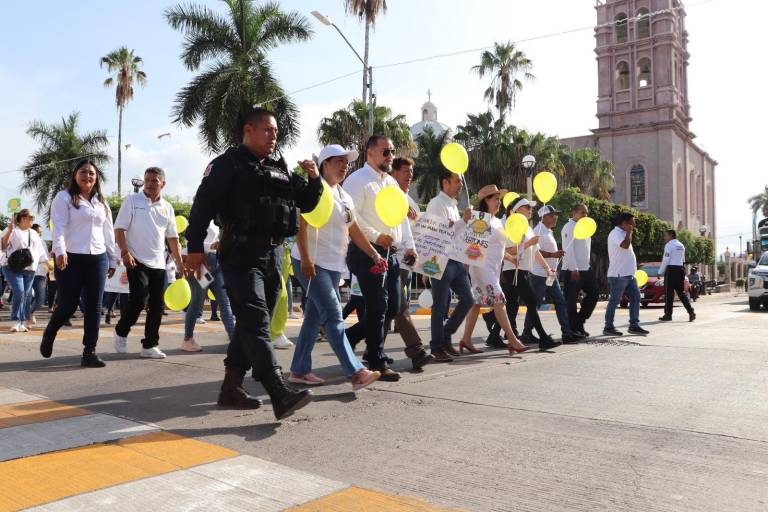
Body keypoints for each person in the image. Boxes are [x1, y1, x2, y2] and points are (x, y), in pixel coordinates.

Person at [185, 107, 321, 419]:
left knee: (250, 324)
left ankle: (230, 389)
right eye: (267, 130)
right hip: (241, 254)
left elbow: (308, 202)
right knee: (257, 321)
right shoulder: (227, 164)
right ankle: (278, 390)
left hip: (274, 256)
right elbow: (202, 205)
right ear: (248, 130)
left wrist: (313, 178)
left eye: (276, 132)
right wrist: (194, 248)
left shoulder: (279, 166)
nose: (274, 136)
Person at [289, 144, 382, 390]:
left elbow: (353, 229)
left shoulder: (344, 196)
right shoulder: (316, 189)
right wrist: (307, 260)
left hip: (333, 265)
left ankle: (298, 370)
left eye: (347, 162)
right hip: (310, 262)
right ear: (325, 164)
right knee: (333, 315)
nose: (344, 166)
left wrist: (373, 254)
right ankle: (356, 372)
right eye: (338, 161)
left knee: (313, 318)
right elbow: (302, 225)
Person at [343, 135, 417, 381]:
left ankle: (351, 337)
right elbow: (351, 218)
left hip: (391, 252)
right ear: (370, 153)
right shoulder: (357, 180)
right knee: (378, 307)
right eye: (386, 151)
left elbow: (401, 217)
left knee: (393, 306)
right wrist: (376, 236)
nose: (390, 156)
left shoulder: (391, 184)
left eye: (392, 151)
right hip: (366, 252)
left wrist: (409, 245)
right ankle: (376, 359)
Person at [40, 160, 117, 366]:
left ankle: (89, 352)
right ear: (75, 175)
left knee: (94, 306)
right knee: (68, 304)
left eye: (92, 173)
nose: (87, 176)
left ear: (96, 177)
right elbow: (59, 225)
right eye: (83, 172)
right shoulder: (64, 197)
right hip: (70, 257)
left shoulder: (102, 201)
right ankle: (49, 333)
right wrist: (60, 251)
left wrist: (112, 257)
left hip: (97, 258)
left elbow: (108, 231)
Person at [113, 167, 185, 359]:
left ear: (163, 183)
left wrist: (179, 263)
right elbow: (119, 229)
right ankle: (121, 331)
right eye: (147, 180)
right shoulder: (132, 201)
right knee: (138, 300)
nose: (150, 184)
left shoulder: (167, 207)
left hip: (159, 263)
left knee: (157, 306)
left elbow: (172, 238)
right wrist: (125, 252)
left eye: (154, 180)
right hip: (135, 260)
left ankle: (149, 345)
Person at [456, 186, 530, 355]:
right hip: (482, 268)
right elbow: (472, 248)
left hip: (494, 268)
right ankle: (513, 340)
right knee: (499, 300)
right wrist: (465, 268)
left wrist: (511, 258)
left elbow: (498, 247)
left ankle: (466, 340)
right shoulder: (480, 220)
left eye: (499, 198)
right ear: (486, 201)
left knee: (476, 303)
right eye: (495, 198)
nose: (499, 201)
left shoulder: (497, 221)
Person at [389, 156, 434, 371]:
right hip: (389, 258)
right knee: (399, 307)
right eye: (406, 172)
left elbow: (416, 231)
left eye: (412, 174)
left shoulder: (411, 201)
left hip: (406, 263)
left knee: (386, 310)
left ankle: (365, 349)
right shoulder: (386, 194)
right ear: (394, 172)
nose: (410, 177)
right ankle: (417, 351)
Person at [425, 170, 475, 362]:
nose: (461, 185)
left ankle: (445, 336)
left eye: (461, 181)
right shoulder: (436, 204)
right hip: (440, 260)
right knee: (440, 306)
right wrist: (463, 221)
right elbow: (439, 233)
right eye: (457, 181)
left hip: (455, 260)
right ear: (445, 183)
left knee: (468, 299)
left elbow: (456, 234)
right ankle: (437, 347)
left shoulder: (453, 206)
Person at [505, 198, 561, 351]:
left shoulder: (528, 228)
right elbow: (508, 251)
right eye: (527, 207)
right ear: (517, 210)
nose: (530, 209)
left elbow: (536, 252)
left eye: (531, 207)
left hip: (522, 271)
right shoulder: (512, 224)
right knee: (530, 302)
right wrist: (528, 244)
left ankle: (509, 338)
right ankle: (543, 338)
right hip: (512, 271)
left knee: (510, 307)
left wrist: (548, 269)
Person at [525, 205, 585, 344]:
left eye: (555, 215)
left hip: (550, 275)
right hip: (540, 275)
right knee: (536, 304)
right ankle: (526, 333)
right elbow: (535, 252)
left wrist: (555, 256)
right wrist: (553, 254)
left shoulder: (548, 231)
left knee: (560, 302)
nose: (555, 217)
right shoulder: (538, 231)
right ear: (544, 217)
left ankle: (567, 333)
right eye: (552, 215)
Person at [182, 221, 235, 352]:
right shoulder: (199, 217)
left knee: (224, 301)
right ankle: (187, 339)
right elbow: (192, 240)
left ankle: (234, 339)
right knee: (197, 301)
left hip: (216, 262)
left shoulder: (219, 218)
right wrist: (207, 248)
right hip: (199, 262)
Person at [1, 209, 48, 333]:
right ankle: (15, 321)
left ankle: (21, 322)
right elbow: (3, 247)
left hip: (30, 269)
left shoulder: (33, 233)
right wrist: (9, 231)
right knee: (20, 292)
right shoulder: (12, 230)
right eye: (31, 217)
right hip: (12, 267)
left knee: (25, 296)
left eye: (33, 217)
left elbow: (40, 251)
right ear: (22, 218)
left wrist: (47, 263)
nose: (33, 219)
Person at [603, 212, 649, 336]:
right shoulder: (615, 234)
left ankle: (634, 325)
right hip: (618, 274)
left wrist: (628, 232)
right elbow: (625, 245)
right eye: (631, 223)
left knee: (636, 298)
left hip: (629, 274)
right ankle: (608, 326)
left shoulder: (623, 232)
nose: (633, 225)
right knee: (614, 301)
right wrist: (629, 232)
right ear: (623, 223)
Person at [561, 203, 598, 337]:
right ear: (574, 213)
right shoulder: (568, 227)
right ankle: (573, 329)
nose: (585, 215)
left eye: (586, 213)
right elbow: (568, 249)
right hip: (573, 270)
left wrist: (587, 266)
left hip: (585, 269)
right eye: (583, 212)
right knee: (571, 301)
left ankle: (579, 322)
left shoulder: (585, 227)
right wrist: (574, 268)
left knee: (594, 294)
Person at [658, 229, 696, 322]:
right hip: (680, 269)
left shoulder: (669, 245)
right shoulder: (681, 245)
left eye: (666, 235)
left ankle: (668, 315)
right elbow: (683, 260)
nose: (664, 237)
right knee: (681, 293)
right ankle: (691, 312)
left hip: (671, 270)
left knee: (669, 293)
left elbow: (666, 259)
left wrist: (660, 271)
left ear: (671, 235)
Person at [27, 223, 51, 325]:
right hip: (28, 272)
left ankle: (29, 313)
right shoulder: (27, 241)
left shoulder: (43, 242)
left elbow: (45, 257)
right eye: (38, 232)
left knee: (40, 298)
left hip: (40, 274)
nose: (40, 234)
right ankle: (26, 316)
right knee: (26, 297)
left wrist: (48, 269)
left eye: (41, 233)